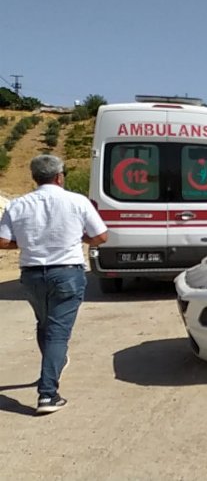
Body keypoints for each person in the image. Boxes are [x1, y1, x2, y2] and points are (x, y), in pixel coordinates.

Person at [0, 155, 108, 414]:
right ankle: (48, 394)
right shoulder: (77, 201)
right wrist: (77, 239)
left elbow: (2, 241)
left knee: (45, 324)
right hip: (67, 274)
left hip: (32, 276)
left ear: (34, 177)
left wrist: (26, 244)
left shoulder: (18, 204)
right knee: (58, 333)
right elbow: (101, 236)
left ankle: (52, 366)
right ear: (60, 176)